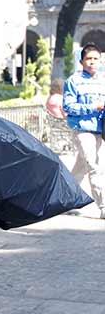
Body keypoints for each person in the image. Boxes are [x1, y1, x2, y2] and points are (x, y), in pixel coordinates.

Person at [63, 44, 105, 218]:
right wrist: (93, 107)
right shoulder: (73, 81)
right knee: (95, 167)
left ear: (100, 60)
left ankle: (64, 200)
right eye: (89, 59)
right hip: (82, 129)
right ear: (81, 61)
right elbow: (68, 106)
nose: (92, 62)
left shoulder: (103, 80)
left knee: (81, 167)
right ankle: (103, 207)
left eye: (95, 58)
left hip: (99, 130)